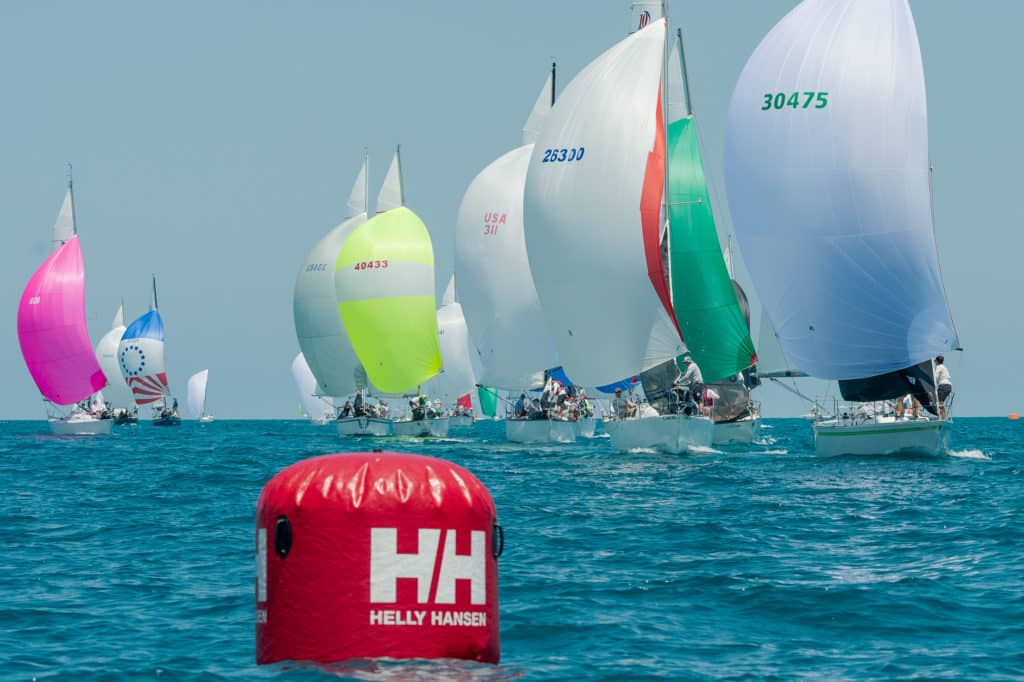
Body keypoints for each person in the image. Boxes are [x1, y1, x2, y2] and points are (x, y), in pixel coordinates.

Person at [935, 354, 953, 419]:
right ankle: (944, 417)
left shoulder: (939, 367)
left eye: (935, 361)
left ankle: (942, 417)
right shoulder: (944, 367)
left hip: (943, 386)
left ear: (937, 361)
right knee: (941, 403)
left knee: (939, 403)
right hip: (949, 386)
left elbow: (935, 377)